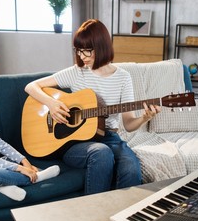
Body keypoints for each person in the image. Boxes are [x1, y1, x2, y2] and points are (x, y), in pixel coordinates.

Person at [24, 19, 160, 195]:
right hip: (74, 142)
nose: (82, 56)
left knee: (131, 169)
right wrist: (52, 104)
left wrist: (145, 117)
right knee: (101, 153)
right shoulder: (76, 72)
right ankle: (92, 214)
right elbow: (31, 86)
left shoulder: (123, 78)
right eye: (78, 51)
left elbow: (128, 124)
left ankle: (122, 219)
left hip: (109, 137)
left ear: (101, 46)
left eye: (86, 51)